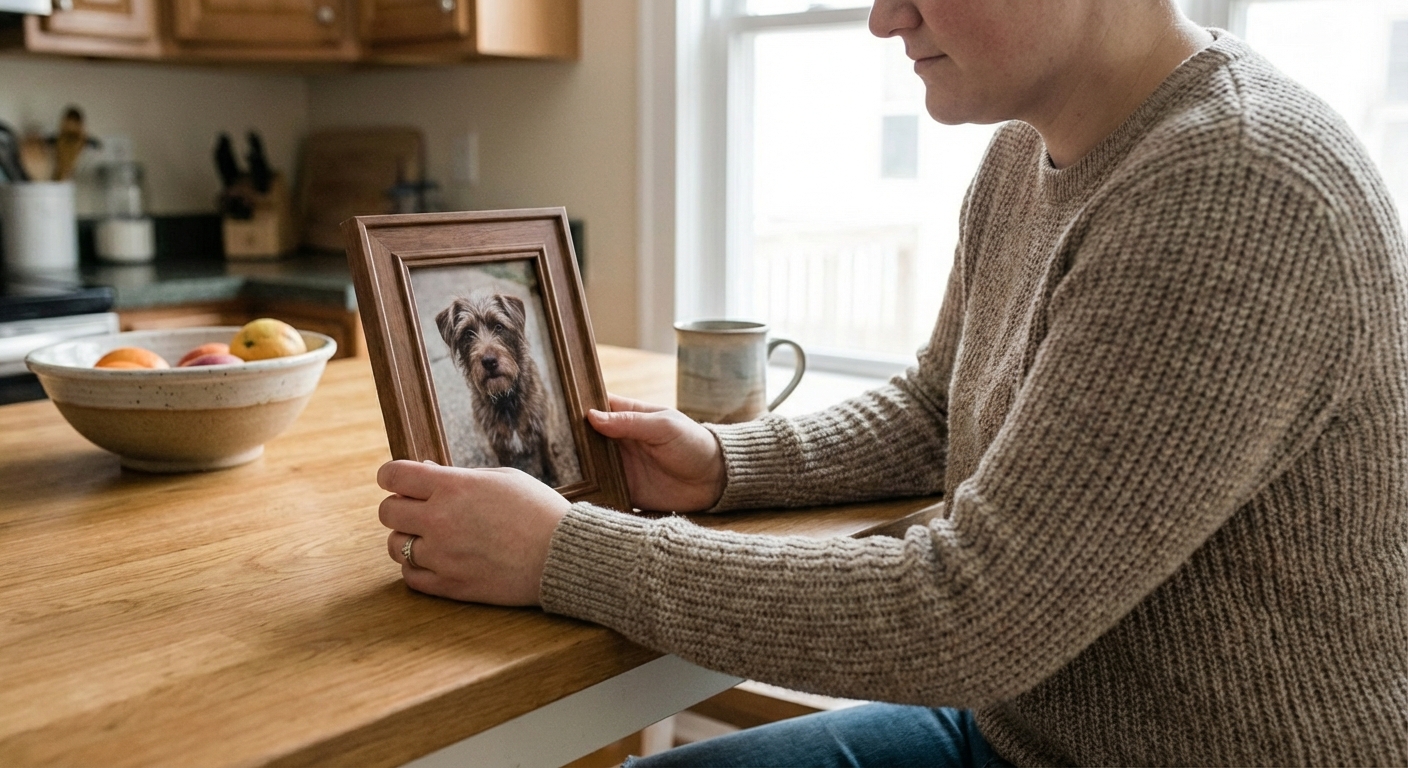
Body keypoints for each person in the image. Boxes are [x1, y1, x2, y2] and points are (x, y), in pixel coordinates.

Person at [375, 0, 1408, 764]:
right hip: (1028, 732)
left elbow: (972, 616)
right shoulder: (1027, 151)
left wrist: (564, 551)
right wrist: (726, 464)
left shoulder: (1232, 186)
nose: (881, 18)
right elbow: (933, 408)